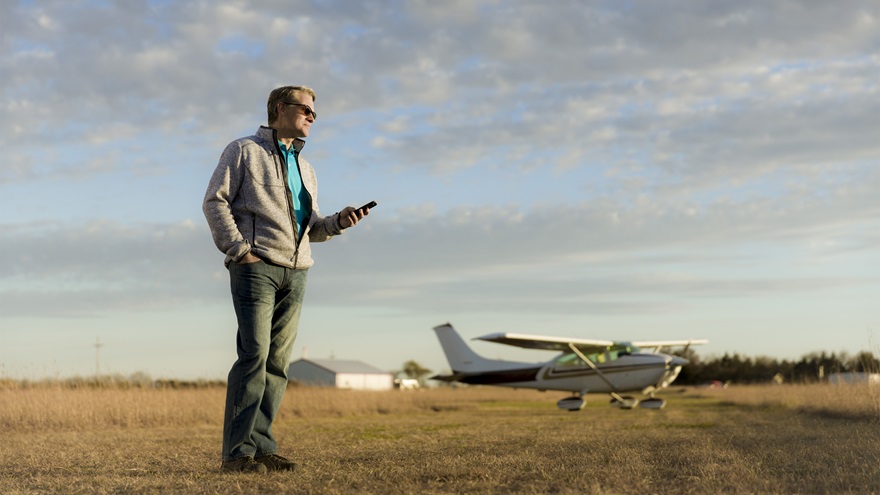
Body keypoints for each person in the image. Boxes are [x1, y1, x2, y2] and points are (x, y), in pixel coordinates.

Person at [203, 85, 370, 473]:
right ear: (281, 108)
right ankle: (237, 455)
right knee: (254, 357)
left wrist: (338, 222)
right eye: (306, 109)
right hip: (256, 269)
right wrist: (240, 250)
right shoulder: (243, 150)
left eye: (315, 112)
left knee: (277, 364)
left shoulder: (306, 168)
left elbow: (310, 227)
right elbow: (215, 201)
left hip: (297, 273)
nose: (313, 116)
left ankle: (261, 447)